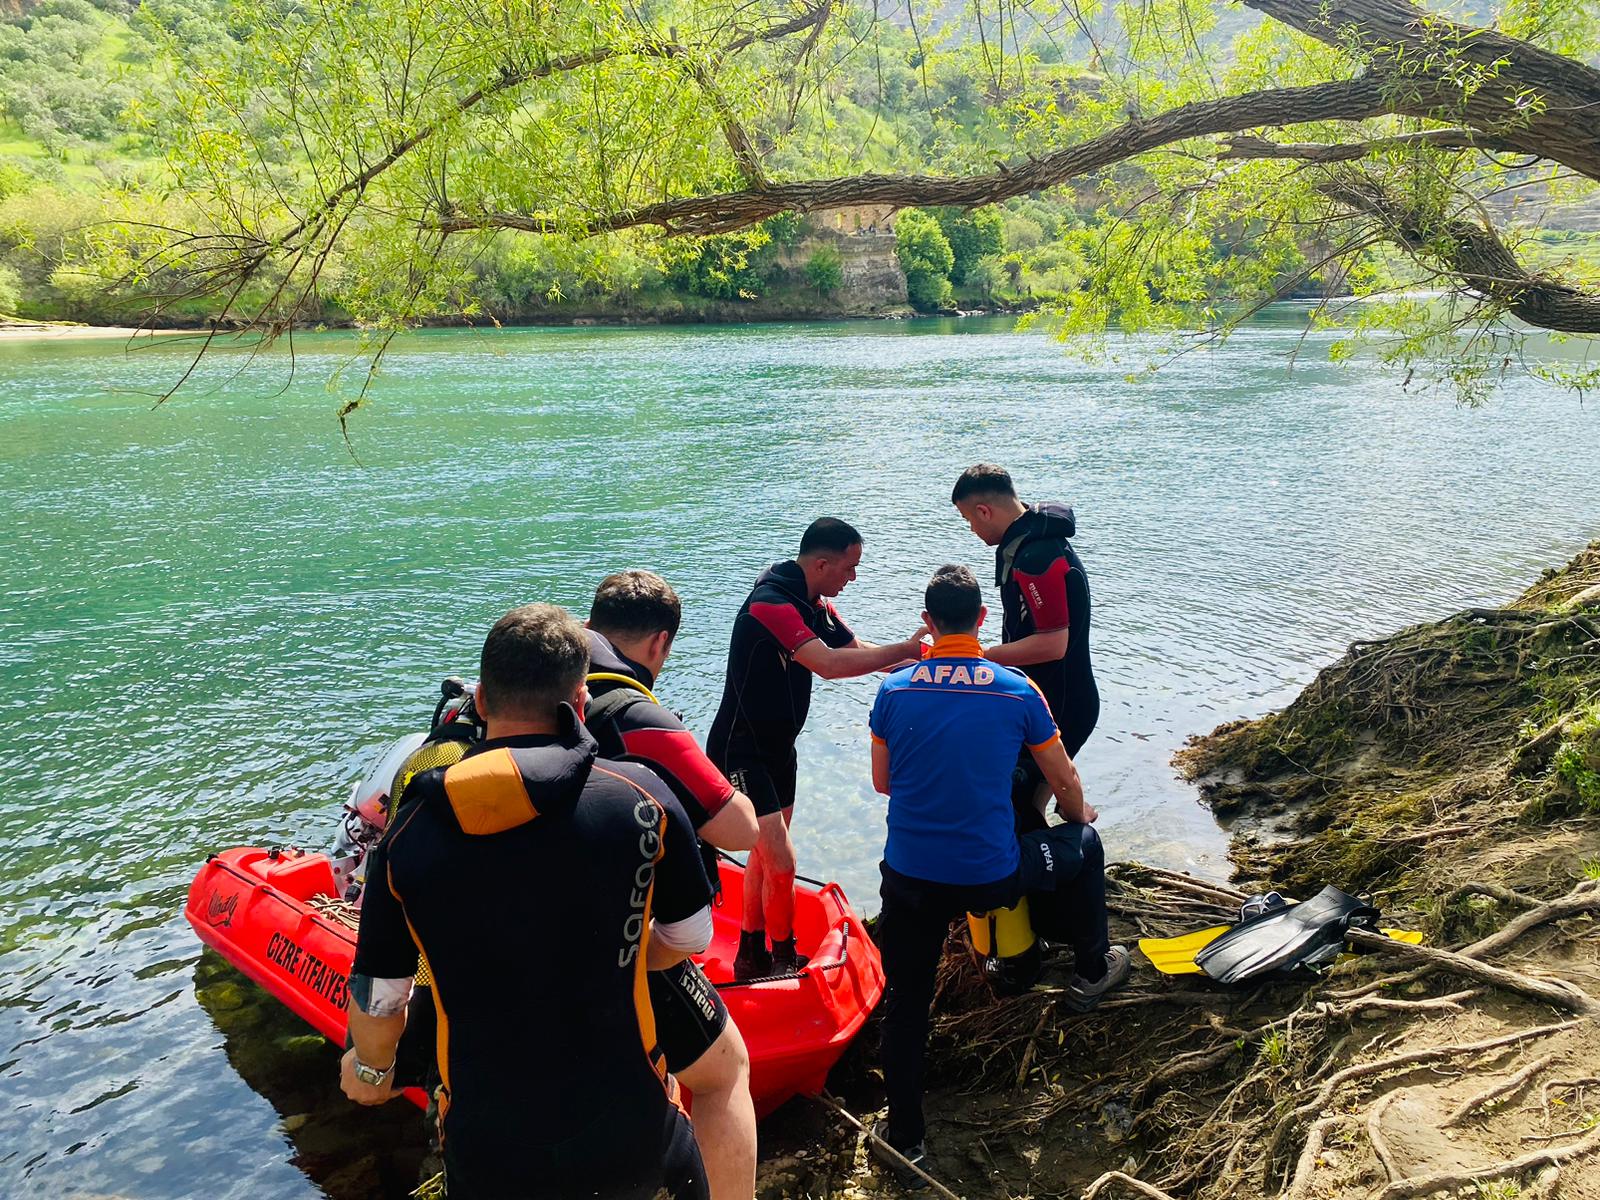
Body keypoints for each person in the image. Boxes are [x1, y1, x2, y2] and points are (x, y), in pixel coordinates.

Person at [341, 604, 715, 1200]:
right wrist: (619, 955)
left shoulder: (409, 834)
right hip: (633, 1131)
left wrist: (369, 1071)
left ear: (482, 701)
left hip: (490, 1148)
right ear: (581, 702)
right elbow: (691, 937)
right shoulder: (642, 798)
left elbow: (383, 998)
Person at [867, 565, 1129, 1181]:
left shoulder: (893, 691)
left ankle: (907, 1141)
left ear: (927, 624)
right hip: (991, 877)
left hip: (909, 880)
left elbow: (884, 783)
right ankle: (1091, 970)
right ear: (983, 621)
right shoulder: (1017, 691)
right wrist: (1075, 815)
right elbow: (1063, 781)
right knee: (1083, 843)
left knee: (905, 1002)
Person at [583, 569, 760, 1200]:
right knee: (723, 1071)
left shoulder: (522, 684)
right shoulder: (634, 712)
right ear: (659, 644)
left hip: (509, 924)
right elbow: (740, 830)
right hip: (620, 939)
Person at [707, 518, 926, 980]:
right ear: (822, 563)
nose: (853, 578)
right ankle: (783, 960)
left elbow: (857, 649)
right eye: (849, 569)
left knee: (765, 857)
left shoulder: (814, 604)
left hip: (779, 749)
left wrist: (935, 658)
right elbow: (828, 664)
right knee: (782, 861)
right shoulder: (771, 605)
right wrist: (898, 649)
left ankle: (750, 951)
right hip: (740, 752)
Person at [951, 464, 1098, 827]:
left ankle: (1069, 856)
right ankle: (1074, 827)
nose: (972, 529)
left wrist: (978, 655)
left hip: (1060, 707)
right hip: (1055, 699)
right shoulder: (1030, 541)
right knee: (1031, 806)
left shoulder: (1037, 558)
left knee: (1020, 811)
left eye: (969, 519)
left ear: (985, 510)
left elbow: (1052, 644)